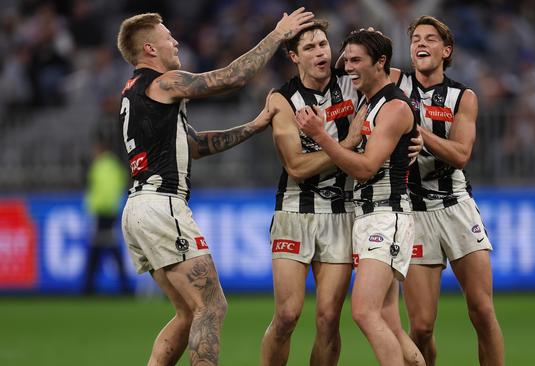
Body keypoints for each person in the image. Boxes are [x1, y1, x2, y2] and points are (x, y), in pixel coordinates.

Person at [116, 9, 314, 366]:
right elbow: (231, 78)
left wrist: (253, 127)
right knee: (211, 304)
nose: (175, 41)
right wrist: (277, 35)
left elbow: (194, 146)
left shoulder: (136, 92)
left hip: (138, 206)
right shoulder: (162, 82)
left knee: (186, 313)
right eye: (166, 36)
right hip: (162, 204)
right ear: (149, 48)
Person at [296, 30, 424, 366]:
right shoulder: (370, 100)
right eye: (346, 60)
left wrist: (321, 136)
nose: (347, 68)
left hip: (387, 215)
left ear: (380, 63)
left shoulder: (394, 106)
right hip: (368, 217)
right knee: (391, 324)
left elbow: (366, 168)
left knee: (364, 312)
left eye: (356, 61)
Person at [389, 15, 505, 365]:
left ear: (446, 50)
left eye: (430, 39)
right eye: (415, 40)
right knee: (422, 326)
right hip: (415, 213)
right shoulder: (395, 82)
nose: (421, 44)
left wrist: (419, 133)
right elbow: (352, 67)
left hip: (456, 208)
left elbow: (461, 154)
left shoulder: (462, 97)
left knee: (482, 311)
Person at [260, 19, 362, 366]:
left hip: (342, 214)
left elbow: (392, 74)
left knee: (329, 320)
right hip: (294, 212)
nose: (320, 52)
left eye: (323, 44)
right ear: (293, 56)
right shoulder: (283, 99)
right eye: (309, 47)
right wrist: (344, 146)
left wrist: (376, 49)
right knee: (287, 315)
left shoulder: (352, 83)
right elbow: (296, 167)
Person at [83, 136, 130, 295]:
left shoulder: (99, 167)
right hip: (112, 212)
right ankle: (124, 287)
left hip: (102, 214)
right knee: (112, 250)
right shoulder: (116, 167)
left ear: (100, 150)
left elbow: (101, 192)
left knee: (97, 250)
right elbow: (119, 187)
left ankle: (88, 288)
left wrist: (95, 208)